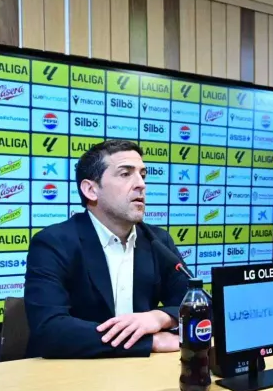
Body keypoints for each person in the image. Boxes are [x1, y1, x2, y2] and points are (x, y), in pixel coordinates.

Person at [24, 140, 188, 358]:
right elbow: (50, 330)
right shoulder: (53, 243)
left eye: (142, 175)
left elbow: (200, 304)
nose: (141, 184)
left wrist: (159, 317)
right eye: (125, 174)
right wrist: (150, 342)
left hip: (140, 371)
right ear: (91, 190)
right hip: (73, 370)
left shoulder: (157, 240)